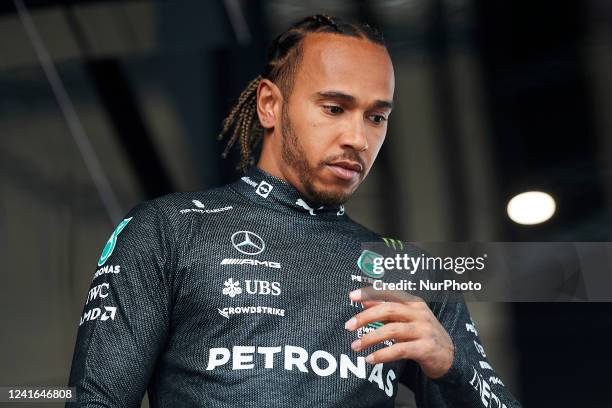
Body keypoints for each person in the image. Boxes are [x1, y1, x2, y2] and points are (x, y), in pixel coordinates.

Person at [67, 14, 522, 408]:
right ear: (270, 104)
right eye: (334, 107)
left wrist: (450, 364)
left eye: (376, 117)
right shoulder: (166, 230)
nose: (358, 139)